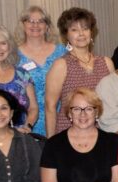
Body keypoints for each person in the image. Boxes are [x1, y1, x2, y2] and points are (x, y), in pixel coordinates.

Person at [44, 7, 113, 135]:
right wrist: (51, 142)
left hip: (103, 132)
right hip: (69, 133)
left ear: (91, 32)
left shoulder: (106, 63)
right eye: (74, 30)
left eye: (85, 28)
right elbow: (50, 107)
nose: (81, 34)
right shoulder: (61, 65)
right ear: (66, 35)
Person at [16, 6, 68, 136]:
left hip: (60, 118)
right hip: (27, 123)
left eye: (41, 21)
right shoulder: (13, 56)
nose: (35, 25)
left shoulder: (62, 52)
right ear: (23, 25)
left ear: (47, 26)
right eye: (30, 21)